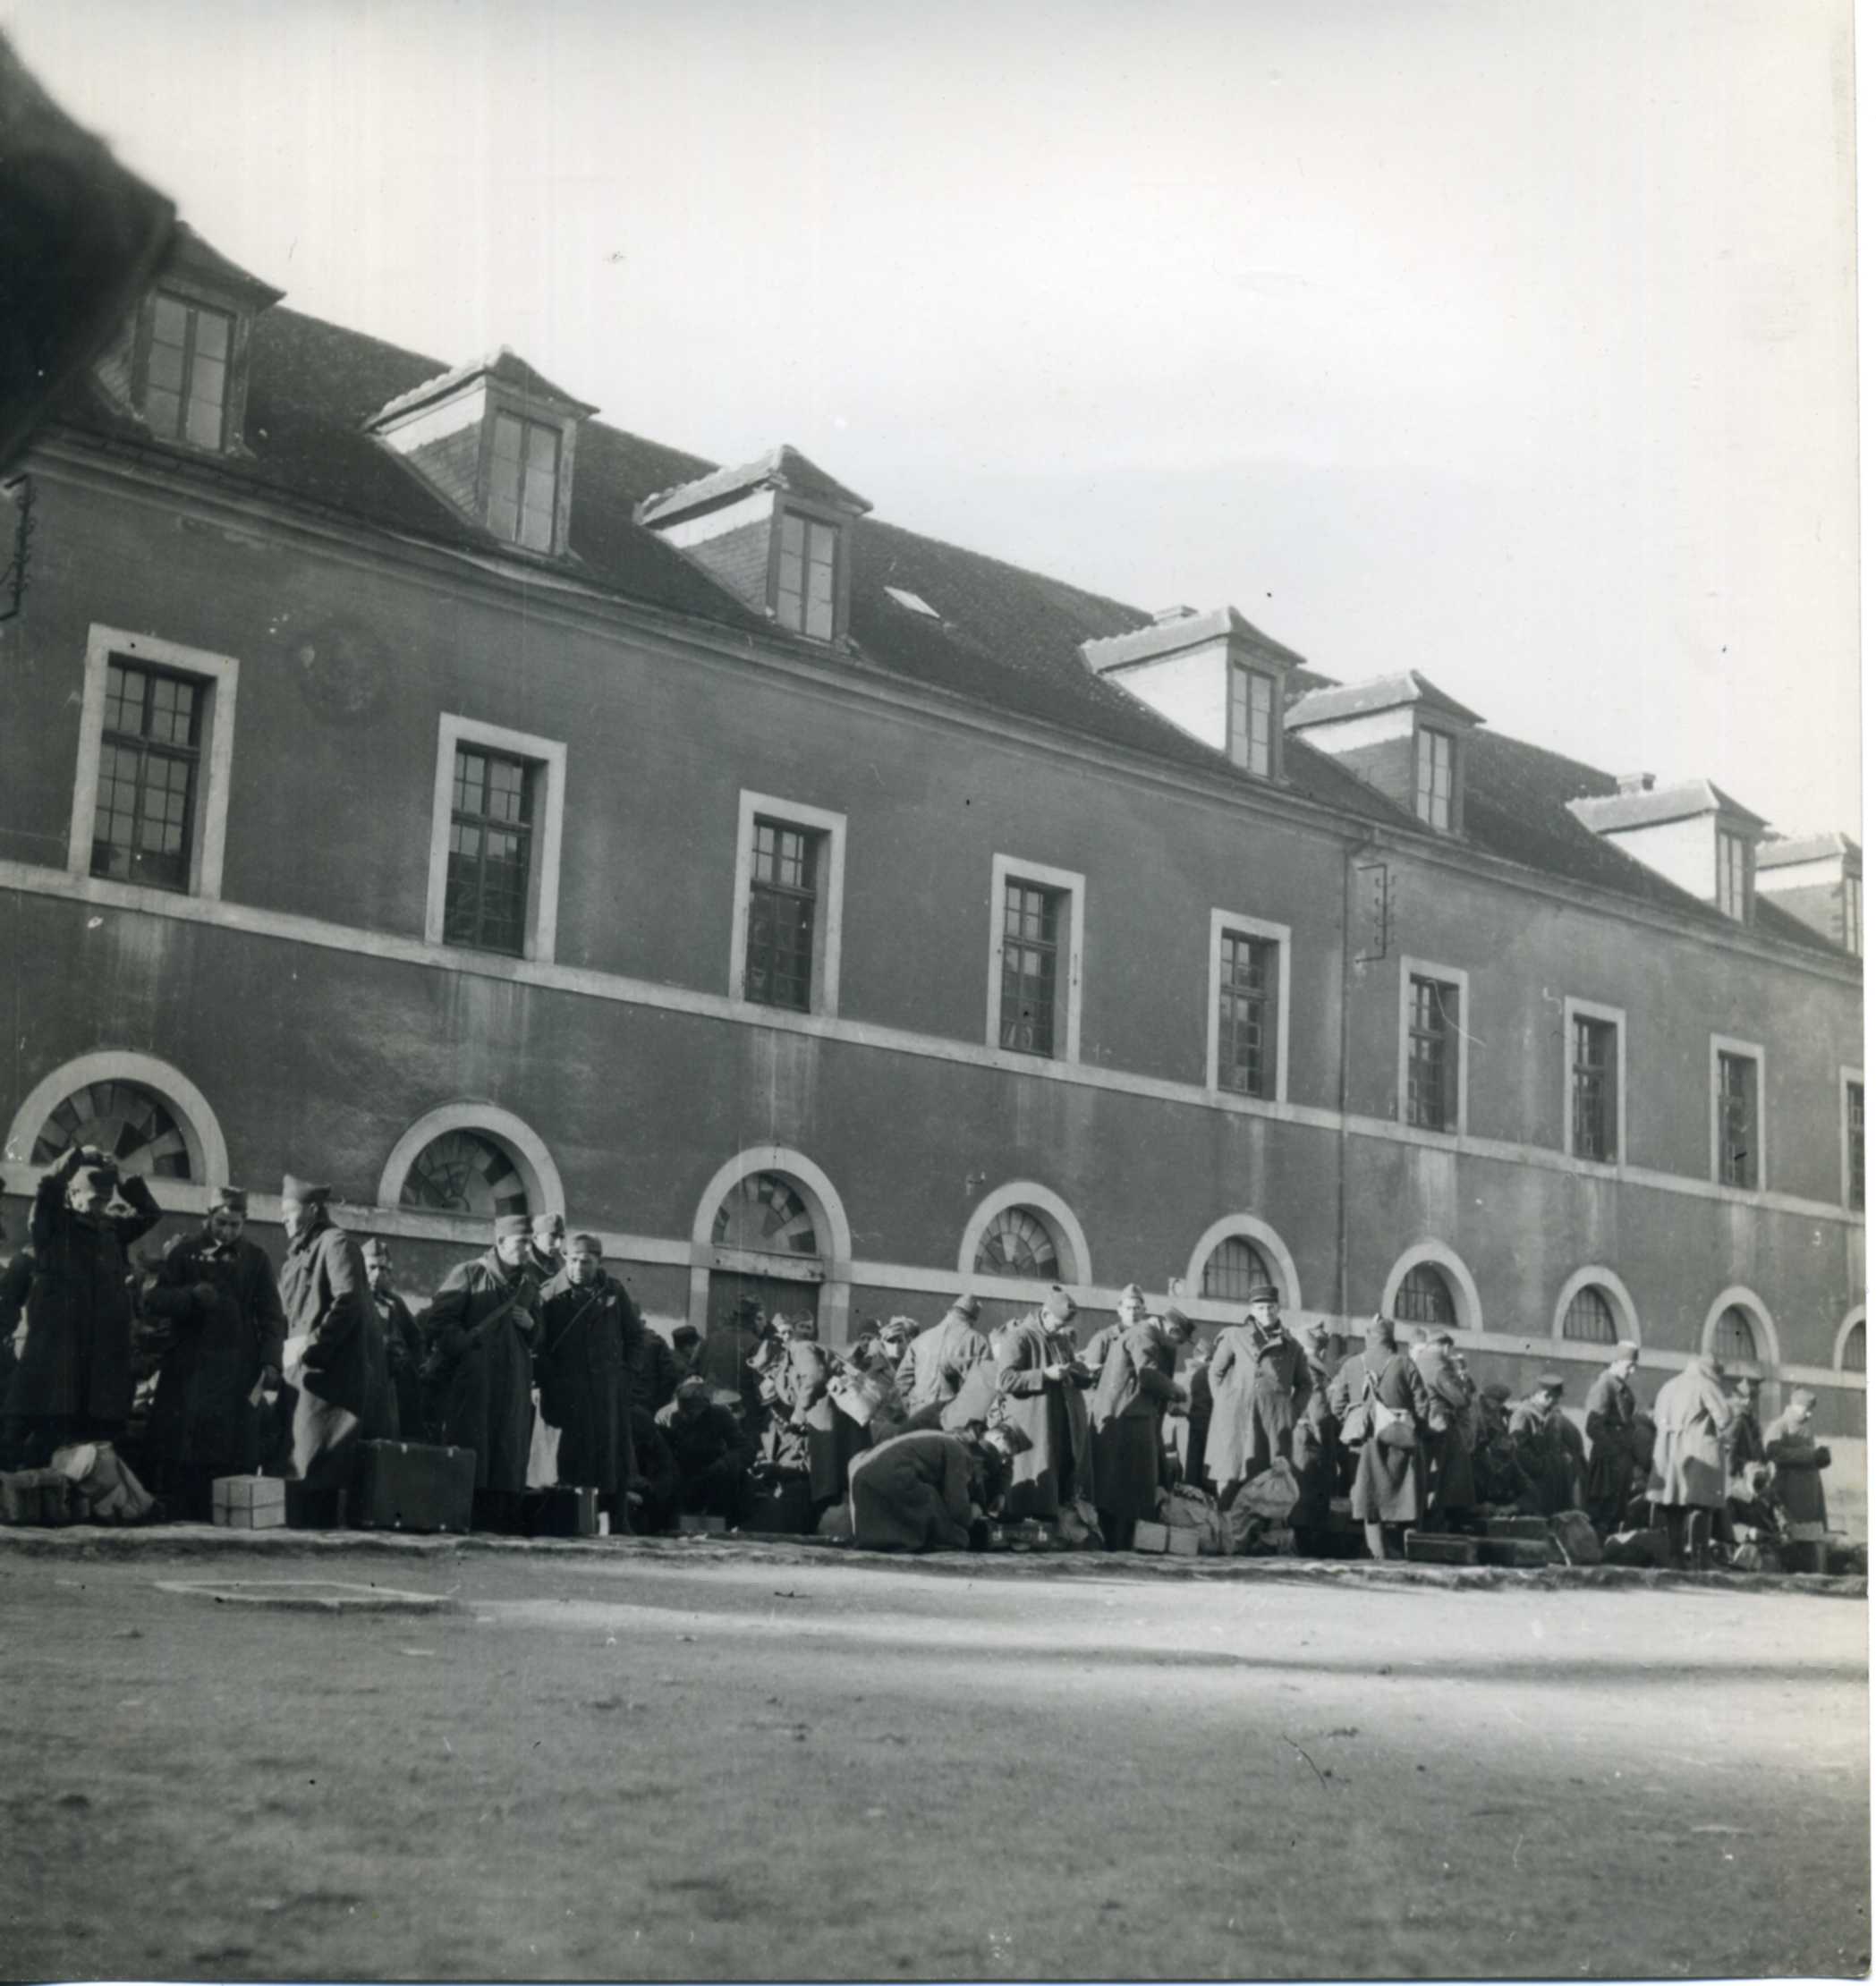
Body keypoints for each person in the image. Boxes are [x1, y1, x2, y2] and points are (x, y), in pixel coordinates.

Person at [2, 1144, 161, 1468]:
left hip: (99, 1365)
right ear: (72, 1195)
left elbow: (150, 1213)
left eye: (105, 1201)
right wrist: (76, 1155)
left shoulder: (111, 1233)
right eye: (93, 1200)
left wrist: (123, 1177)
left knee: (91, 1452)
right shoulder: (52, 1228)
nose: (100, 1208)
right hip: (57, 1363)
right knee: (43, 1446)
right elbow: (47, 1189)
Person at [140, 1186, 285, 1518]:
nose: (227, 1231)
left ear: (244, 1222)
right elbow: (155, 1300)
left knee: (231, 1448)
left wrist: (271, 1361)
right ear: (208, 1218)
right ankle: (184, 1510)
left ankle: (223, 1512)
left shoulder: (256, 1259)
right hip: (189, 1367)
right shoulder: (185, 1253)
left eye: (235, 1225)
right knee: (185, 1445)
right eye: (221, 1223)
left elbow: (271, 1316)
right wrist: (190, 1296)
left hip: (237, 1367)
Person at [276, 1174, 392, 1511]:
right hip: (301, 1372)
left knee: (315, 1463)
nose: (283, 1219)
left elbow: (348, 1301)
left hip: (327, 1376)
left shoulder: (336, 1243)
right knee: (298, 1461)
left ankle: (318, 1534)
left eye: (290, 1211)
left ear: (313, 1209)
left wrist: (312, 1346)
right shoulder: (299, 1253)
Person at [421, 1211, 541, 1531]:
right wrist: (466, 1348)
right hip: (476, 1382)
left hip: (513, 1382)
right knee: (473, 1447)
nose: (527, 1249)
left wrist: (532, 1325)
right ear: (500, 1241)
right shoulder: (470, 1273)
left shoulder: (529, 1284)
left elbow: (539, 1334)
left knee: (507, 1451)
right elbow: (438, 1321)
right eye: (521, 1242)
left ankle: (500, 1521)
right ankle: (466, 1518)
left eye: (530, 1242)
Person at [535, 1233, 641, 1528]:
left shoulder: (614, 1292)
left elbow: (635, 1338)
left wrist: (625, 1376)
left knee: (612, 1462)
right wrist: (553, 1383)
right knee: (569, 1462)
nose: (578, 1267)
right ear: (565, 1259)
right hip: (568, 1398)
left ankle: (614, 1524)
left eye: (586, 1262)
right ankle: (571, 1524)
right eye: (573, 1260)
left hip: (608, 1395)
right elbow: (539, 1348)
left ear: (598, 1262)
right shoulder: (549, 1295)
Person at [1327, 1316, 1432, 1561]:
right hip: (1401, 1442)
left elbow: (1336, 1405)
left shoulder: (1352, 1364)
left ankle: (1379, 1557)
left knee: (1370, 1505)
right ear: (1390, 1338)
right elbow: (1422, 1404)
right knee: (1407, 1501)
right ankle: (1409, 1557)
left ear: (1368, 1338)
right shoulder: (1404, 1363)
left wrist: (1357, 1420)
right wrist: (1413, 1429)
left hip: (1365, 1445)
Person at [1091, 1305, 1192, 1549]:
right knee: (1130, 1484)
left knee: (1121, 1484)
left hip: (1127, 1416)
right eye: (1178, 1341)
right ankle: (1119, 1544)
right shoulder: (1143, 1335)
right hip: (1129, 1420)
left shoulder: (1141, 1333)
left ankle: (1118, 1542)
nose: (1176, 1346)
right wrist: (1177, 1391)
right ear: (1171, 1330)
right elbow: (1148, 1375)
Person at [1204, 1285, 1312, 1509]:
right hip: (1237, 1422)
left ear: (1278, 1309)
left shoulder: (1292, 1346)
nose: (1266, 1313)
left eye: (1271, 1307)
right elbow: (1215, 1372)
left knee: (1268, 1485)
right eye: (1261, 1308)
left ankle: (1260, 1531)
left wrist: (1290, 1414)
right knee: (1231, 1480)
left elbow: (1305, 1385)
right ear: (1252, 1310)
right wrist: (1225, 1405)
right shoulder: (1235, 1336)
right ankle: (1226, 1528)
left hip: (1272, 1426)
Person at [994, 1286, 1094, 1520]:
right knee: (1033, 1486)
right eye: (1058, 1324)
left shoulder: (1061, 1339)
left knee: (1056, 1487)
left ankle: (1050, 1525)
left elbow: (1067, 1369)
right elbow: (1004, 1380)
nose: (1061, 1330)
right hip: (1032, 1428)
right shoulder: (1020, 1336)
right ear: (1045, 1313)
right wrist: (1044, 1375)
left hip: (1058, 1425)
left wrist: (1083, 1372)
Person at [849, 1423, 1010, 1552]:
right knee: (939, 1510)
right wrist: (973, 1514)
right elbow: (957, 1507)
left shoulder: (948, 1440)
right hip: (889, 1476)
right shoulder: (961, 1454)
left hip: (863, 1476)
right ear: (979, 1463)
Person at [772, 1311, 866, 1524]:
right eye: (801, 1327)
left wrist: (799, 1413)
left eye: (807, 1327)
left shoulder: (801, 1348)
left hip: (824, 1417)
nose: (804, 1332)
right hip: (833, 1416)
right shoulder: (808, 1349)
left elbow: (815, 1376)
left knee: (826, 1479)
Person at [1647, 1355, 1735, 1567]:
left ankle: (1675, 1558)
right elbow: (1724, 1418)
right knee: (1702, 1504)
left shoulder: (1668, 1385)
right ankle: (1700, 1558)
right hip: (1699, 1449)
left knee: (1674, 1505)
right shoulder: (1705, 1385)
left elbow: (1656, 1418)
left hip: (1669, 1451)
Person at [361, 1238, 426, 1442]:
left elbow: (416, 1339)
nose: (377, 1274)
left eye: (383, 1268)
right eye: (371, 1267)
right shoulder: (352, 1300)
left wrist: (408, 1366)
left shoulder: (394, 1303)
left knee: (386, 1443)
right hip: (359, 1383)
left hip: (389, 1386)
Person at [657, 1376, 744, 1523]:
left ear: (705, 1406)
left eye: (692, 1411)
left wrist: (725, 1463)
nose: (687, 1416)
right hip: (678, 1472)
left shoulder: (720, 1414)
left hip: (713, 1470)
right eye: (683, 1410)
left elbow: (742, 1447)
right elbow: (656, 1453)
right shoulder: (664, 1416)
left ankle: (720, 1524)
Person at [1762, 1388, 1832, 1570]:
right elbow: (1773, 1453)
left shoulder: (1806, 1429)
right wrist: (1809, 1455)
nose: (1809, 1414)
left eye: (1811, 1410)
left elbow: (1809, 1456)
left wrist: (1821, 1458)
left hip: (1810, 1494)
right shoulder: (1779, 1426)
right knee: (1792, 1537)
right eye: (1806, 1409)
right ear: (1794, 1406)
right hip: (1790, 1492)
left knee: (1809, 1541)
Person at [1413, 1331, 1477, 1526]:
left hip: (1424, 1422)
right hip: (1440, 1423)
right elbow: (1460, 1400)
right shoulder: (1439, 1367)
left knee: (1429, 1473)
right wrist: (1462, 1379)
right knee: (1445, 1476)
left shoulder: (1419, 1361)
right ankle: (1436, 1523)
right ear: (1446, 1347)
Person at [896, 1294, 991, 1424]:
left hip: (918, 1413)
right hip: (950, 1417)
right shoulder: (977, 1341)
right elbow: (984, 1385)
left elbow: (901, 1381)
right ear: (972, 1318)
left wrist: (911, 1406)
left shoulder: (921, 1339)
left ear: (950, 1312)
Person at [1583, 1341, 1643, 1533]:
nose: (1632, 1371)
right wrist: (1614, 1452)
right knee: (1602, 1512)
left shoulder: (1621, 1387)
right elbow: (1593, 1427)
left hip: (1621, 1460)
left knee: (1617, 1512)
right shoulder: (1604, 1386)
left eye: (1634, 1366)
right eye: (1629, 1366)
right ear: (1616, 1362)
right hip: (1608, 1462)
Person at [1509, 1375, 1577, 1516]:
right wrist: (1541, 1467)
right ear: (1543, 1395)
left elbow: (1556, 1442)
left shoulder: (1549, 1415)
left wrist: (1563, 1455)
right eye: (1554, 1398)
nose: (1556, 1402)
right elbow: (1519, 1450)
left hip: (1554, 1480)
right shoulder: (1523, 1415)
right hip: (1536, 1483)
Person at [624, 1402, 679, 1533]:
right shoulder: (617, 1440)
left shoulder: (652, 1438)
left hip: (646, 1490)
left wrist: (652, 1488)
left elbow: (667, 1470)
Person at [1081, 1283, 1148, 1379]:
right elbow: (1089, 1374)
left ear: (1144, 1310)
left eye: (1137, 1308)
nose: (1132, 1313)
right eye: (1128, 1308)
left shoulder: (1147, 1338)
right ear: (1120, 1310)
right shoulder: (1104, 1339)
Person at [526, 1211, 566, 1286]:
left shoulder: (562, 1262)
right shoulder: (524, 1266)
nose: (558, 1244)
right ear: (535, 1237)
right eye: (553, 1236)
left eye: (561, 1237)